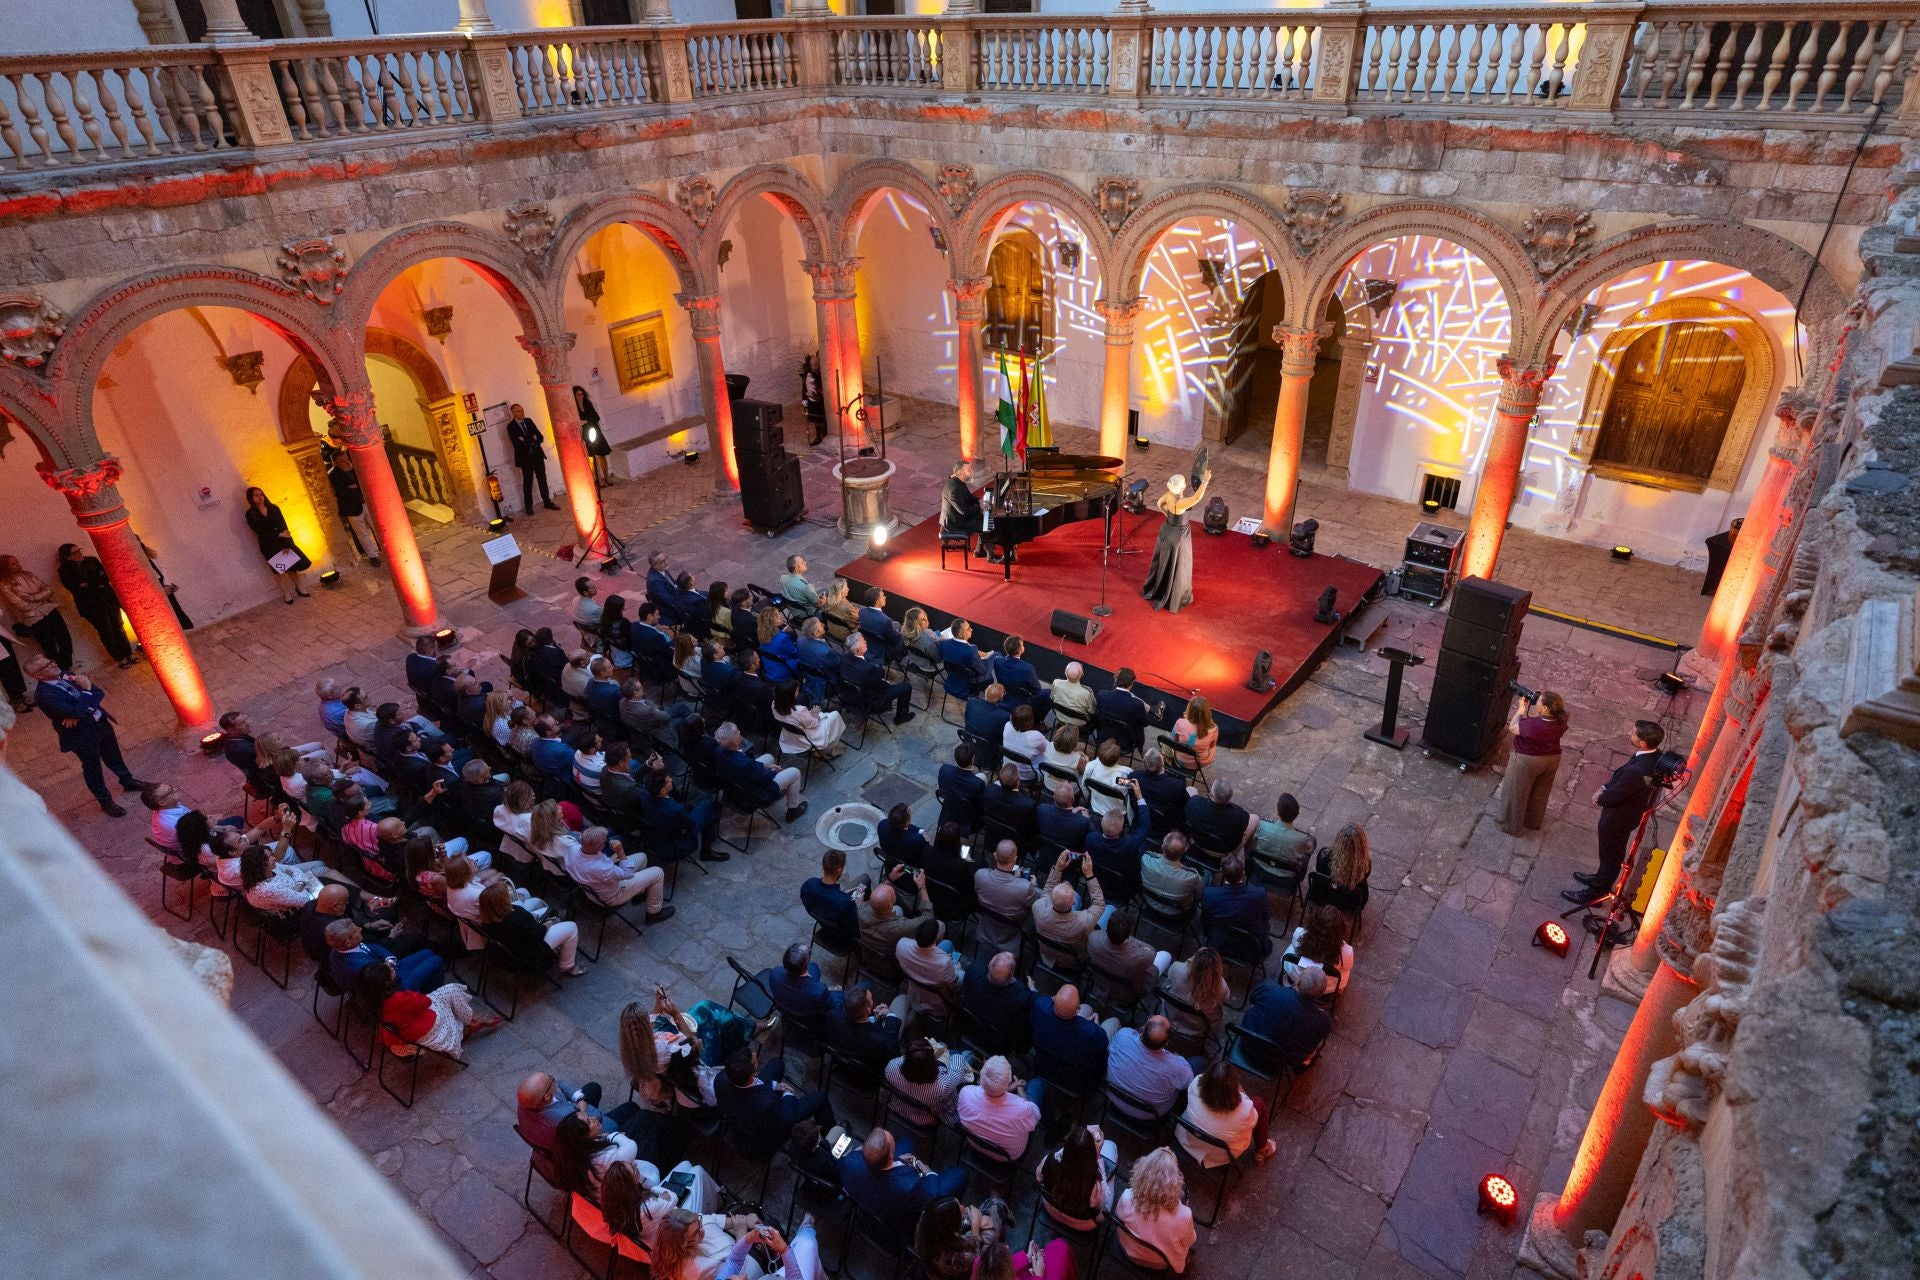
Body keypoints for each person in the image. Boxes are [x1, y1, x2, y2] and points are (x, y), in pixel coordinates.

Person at [26, 655, 148, 815]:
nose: (53, 664)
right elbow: (80, 703)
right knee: (92, 768)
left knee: (113, 755)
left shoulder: (66, 675)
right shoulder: (43, 695)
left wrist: (83, 706)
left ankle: (127, 780)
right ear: (38, 675)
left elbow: (97, 692)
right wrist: (85, 693)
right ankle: (105, 802)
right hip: (81, 735)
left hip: (100, 723)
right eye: (47, 666)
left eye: (51, 661)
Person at [1566, 719, 1671, 906]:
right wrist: (1606, 787)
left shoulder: (1637, 770)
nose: (1630, 735)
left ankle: (1596, 894)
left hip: (1618, 818)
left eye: (1633, 734)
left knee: (1611, 855)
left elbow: (1619, 792)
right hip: (1628, 812)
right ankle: (1599, 879)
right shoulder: (1653, 757)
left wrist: (1601, 797)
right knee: (1609, 854)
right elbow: (1623, 783)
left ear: (1643, 743)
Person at [717, 1041, 835, 1158]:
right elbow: (787, 1117)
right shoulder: (767, 1103)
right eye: (754, 1060)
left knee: (777, 1064)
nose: (754, 1053)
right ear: (753, 1071)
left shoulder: (720, 1079)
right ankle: (831, 1142)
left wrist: (774, 1085)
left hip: (743, 1113)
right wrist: (787, 1093)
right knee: (820, 1098)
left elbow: (755, 1087)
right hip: (763, 1136)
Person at [839, 1128, 966, 1235]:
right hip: (898, 1219)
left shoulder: (849, 1161)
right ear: (890, 1156)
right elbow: (930, 1194)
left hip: (868, 1197)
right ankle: (951, 1210)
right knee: (961, 1174)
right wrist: (928, 1171)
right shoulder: (909, 1186)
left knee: (908, 1140)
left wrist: (899, 1161)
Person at [565, 826, 674, 924]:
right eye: (604, 842)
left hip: (595, 886)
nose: (606, 842)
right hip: (613, 895)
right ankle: (654, 913)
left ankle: (639, 893)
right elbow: (628, 874)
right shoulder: (602, 868)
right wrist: (620, 851)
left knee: (642, 857)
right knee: (658, 872)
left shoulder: (572, 850)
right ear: (596, 848)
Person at [1178, 1059, 1276, 1167]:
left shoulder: (1195, 1084)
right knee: (1259, 1103)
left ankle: (1261, 1150)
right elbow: (1252, 1122)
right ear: (1234, 1088)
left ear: (1206, 1079)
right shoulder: (1246, 1110)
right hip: (1219, 1155)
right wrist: (1243, 1095)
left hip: (1189, 1137)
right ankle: (1261, 1149)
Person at [1140, 463, 1210, 613]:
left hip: (1166, 530)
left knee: (1163, 561)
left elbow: (1159, 504)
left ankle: (1158, 589)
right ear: (1182, 487)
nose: (1186, 483)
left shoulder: (1169, 495)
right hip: (1178, 536)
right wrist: (1205, 481)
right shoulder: (1181, 503)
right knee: (1180, 564)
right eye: (1184, 482)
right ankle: (1175, 597)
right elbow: (1197, 497)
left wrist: (1169, 517)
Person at [1498, 689, 1569, 835]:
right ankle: (1532, 822)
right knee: (1540, 792)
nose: (1536, 702)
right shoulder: (1561, 720)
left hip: (1527, 760)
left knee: (1516, 791)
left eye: (1538, 702)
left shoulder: (1534, 725)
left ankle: (1512, 826)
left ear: (1545, 708)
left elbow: (1513, 728)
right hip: (1552, 759)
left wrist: (1521, 710)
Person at [479, 879, 585, 976]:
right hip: (532, 954)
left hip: (513, 952)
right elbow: (539, 932)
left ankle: (560, 940)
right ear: (503, 904)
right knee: (571, 927)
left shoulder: (486, 921)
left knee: (539, 906)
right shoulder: (516, 916)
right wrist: (550, 920)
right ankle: (567, 967)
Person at [1115, 1147, 1196, 1271]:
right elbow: (1190, 1241)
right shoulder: (1184, 1216)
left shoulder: (1127, 1197)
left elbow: (1118, 1215)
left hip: (1128, 1251)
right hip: (1160, 1263)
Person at [55, 543, 134, 668]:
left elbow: (105, 577)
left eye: (79, 550)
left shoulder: (92, 560)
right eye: (75, 553)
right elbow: (75, 588)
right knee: (106, 631)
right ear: (67, 557)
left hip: (108, 599)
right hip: (92, 606)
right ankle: (120, 658)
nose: (79, 553)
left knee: (118, 626)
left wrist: (89, 584)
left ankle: (128, 653)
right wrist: (96, 583)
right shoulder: (65, 571)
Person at [552, 1108, 657, 1201]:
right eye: (589, 1122)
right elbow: (632, 1147)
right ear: (582, 1138)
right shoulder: (603, 1159)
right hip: (637, 1190)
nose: (594, 1118)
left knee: (641, 1119)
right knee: (647, 1125)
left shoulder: (575, 1158)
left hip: (612, 1191)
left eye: (589, 1116)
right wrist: (613, 1135)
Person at [1239, 969, 1333, 1071]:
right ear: (1321, 994)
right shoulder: (1323, 1021)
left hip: (1248, 1043)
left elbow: (1252, 999)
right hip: (1280, 1062)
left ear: (1298, 981)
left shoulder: (1269, 989)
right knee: (1313, 1049)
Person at [715, 719, 807, 821]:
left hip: (739, 787)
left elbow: (752, 767)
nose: (740, 732)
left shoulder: (719, 751)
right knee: (795, 772)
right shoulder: (744, 764)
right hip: (757, 794)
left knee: (768, 757)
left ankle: (780, 785)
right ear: (735, 742)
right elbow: (765, 778)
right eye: (737, 732)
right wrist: (772, 770)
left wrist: (767, 766)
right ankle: (793, 811)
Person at [1105, 1017, 1194, 1121]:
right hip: (1148, 1117)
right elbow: (1189, 1083)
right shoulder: (1177, 1067)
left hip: (1114, 1099)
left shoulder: (1123, 1036)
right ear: (1167, 1043)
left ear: (1142, 1029)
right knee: (1199, 1062)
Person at [956, 1055, 1040, 1163]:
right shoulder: (1024, 1110)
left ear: (981, 1075)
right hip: (1008, 1157)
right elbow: (1035, 1119)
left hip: (975, 1144)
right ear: (1009, 1081)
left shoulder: (965, 1093)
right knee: (1037, 1084)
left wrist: (1008, 1088)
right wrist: (1020, 1088)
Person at [1037, 1123, 1117, 1233]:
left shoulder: (1050, 1160)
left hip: (1051, 1207)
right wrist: (1098, 1157)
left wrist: (1074, 1146)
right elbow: (1102, 1203)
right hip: (1083, 1223)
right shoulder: (1094, 1184)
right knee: (1111, 1146)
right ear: (1091, 1153)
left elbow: (1039, 1178)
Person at [0, 554, 74, 670]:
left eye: (17, 562)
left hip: (50, 610)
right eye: (13, 564)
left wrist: (33, 598)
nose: (17, 565)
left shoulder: (28, 575)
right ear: (5, 568)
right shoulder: (5, 585)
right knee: (49, 646)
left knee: (65, 639)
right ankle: (60, 673)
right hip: (34, 618)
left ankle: (67, 667)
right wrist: (41, 597)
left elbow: (49, 590)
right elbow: (22, 606)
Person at [242, 486, 311, 604]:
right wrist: (279, 534)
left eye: (261, 494)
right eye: (256, 495)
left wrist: (287, 542)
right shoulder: (250, 514)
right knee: (279, 571)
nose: (260, 497)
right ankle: (286, 593)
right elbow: (259, 532)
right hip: (269, 545)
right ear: (251, 498)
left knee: (291, 568)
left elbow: (284, 526)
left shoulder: (274, 508)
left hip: (283, 542)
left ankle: (299, 587)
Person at [1034, 852, 1106, 962]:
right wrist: (1089, 875)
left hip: (1047, 955)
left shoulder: (1038, 907)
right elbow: (1099, 904)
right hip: (1072, 962)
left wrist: (1057, 869)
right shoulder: (1083, 922)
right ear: (1073, 903)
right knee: (1110, 909)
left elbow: (1047, 891)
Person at [1087, 910, 1169, 1004]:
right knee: (1166, 955)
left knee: (1109, 908)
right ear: (1128, 934)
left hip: (1100, 984)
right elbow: (1152, 952)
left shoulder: (1093, 938)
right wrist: (1131, 941)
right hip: (1128, 994)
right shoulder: (1142, 956)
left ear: (1107, 930)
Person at [961, 951, 1033, 1057]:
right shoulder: (1022, 997)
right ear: (1011, 976)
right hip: (998, 1043)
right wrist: (1033, 991)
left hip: (969, 1027)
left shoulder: (974, 969)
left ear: (989, 964)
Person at [885, 1037, 970, 1127]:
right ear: (933, 1060)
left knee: (941, 1042)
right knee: (967, 1055)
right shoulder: (942, 1086)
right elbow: (956, 1072)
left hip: (897, 1108)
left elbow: (906, 1059)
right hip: (924, 1121)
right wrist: (955, 1053)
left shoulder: (891, 1067)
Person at [973, 839, 1039, 955]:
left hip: (987, 925)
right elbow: (1035, 903)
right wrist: (1034, 886)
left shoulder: (980, 875)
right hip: (1012, 932)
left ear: (994, 855)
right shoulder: (1025, 887)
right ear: (1015, 859)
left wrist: (1016, 881)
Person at [1202, 853, 1272, 960]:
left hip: (1220, 943)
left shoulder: (1209, 894)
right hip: (1250, 949)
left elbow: (1206, 917)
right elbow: (1266, 917)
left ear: (1222, 873)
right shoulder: (1259, 894)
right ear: (1243, 873)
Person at [825, 983, 905, 1076]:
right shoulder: (879, 1040)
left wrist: (873, 1019)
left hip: (841, 1055)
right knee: (902, 1000)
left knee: (866, 983)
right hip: (866, 1075)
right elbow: (893, 1056)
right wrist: (890, 1015)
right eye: (871, 1000)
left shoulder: (832, 1015)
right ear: (868, 1010)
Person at [1163, 947, 1230, 1054]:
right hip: (1195, 1030)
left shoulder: (1177, 968)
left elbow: (1170, 978)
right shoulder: (1221, 987)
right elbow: (1225, 997)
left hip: (1169, 1017)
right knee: (1216, 1013)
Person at [839, 632, 915, 725]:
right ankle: (901, 717)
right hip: (869, 701)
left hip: (848, 696)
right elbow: (881, 688)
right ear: (858, 650)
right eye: (864, 642)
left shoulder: (843, 658)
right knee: (906, 687)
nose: (866, 642)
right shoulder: (868, 669)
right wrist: (886, 682)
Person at [896, 917, 962, 1016]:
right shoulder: (944, 963)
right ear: (935, 940)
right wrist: (957, 968)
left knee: (947, 944)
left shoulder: (902, 944)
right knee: (961, 967)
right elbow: (955, 985)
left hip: (915, 981)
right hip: (937, 995)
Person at [325, 449, 380, 565]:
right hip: (352, 508)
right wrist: (354, 488)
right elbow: (342, 492)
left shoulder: (354, 467)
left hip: (365, 503)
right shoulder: (333, 475)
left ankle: (384, 548)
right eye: (342, 460)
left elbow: (363, 482)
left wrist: (354, 487)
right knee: (362, 534)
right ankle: (372, 556)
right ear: (335, 462)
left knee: (377, 527)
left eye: (345, 458)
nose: (345, 461)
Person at [801, 847, 866, 943]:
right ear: (839, 870)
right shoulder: (845, 902)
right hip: (846, 932)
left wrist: (842, 894)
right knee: (863, 882)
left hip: (827, 922)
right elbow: (854, 924)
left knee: (859, 886)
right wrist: (857, 904)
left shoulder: (808, 885)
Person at [763, 942, 839, 1022]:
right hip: (806, 1018)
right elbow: (831, 1006)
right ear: (806, 965)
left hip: (785, 1009)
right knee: (838, 996)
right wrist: (837, 992)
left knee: (814, 967)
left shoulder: (775, 973)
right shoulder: (820, 991)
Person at [505, 402, 558, 513]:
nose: (522, 413)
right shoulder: (511, 427)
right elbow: (517, 444)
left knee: (542, 479)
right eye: (519, 411)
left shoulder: (529, 421)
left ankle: (547, 502)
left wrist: (527, 440)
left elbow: (540, 437)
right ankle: (528, 507)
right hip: (525, 458)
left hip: (537, 455)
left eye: (522, 410)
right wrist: (532, 440)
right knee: (528, 481)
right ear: (513, 413)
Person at [1311, 821, 1373, 916]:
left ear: (1339, 840)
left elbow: (1319, 869)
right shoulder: (1365, 865)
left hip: (1323, 896)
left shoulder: (1324, 855)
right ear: (1362, 844)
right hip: (1349, 904)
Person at [1184, 777, 1255, 854]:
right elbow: (1242, 829)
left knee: (1191, 789)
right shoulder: (1239, 815)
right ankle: (1244, 852)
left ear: (1210, 794)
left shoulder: (1193, 803)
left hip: (1199, 842)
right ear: (1229, 797)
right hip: (1225, 851)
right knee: (1255, 818)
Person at [1251, 792, 1315, 876]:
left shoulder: (1262, 825)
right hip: (1287, 876)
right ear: (1297, 814)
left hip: (1261, 867)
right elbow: (1308, 850)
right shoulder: (1302, 839)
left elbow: (1255, 839)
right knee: (1313, 841)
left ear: (1278, 812)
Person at [1139, 831, 1204, 912]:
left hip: (1149, 903)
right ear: (1185, 850)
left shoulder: (1146, 859)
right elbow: (1199, 891)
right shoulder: (1191, 876)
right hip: (1175, 913)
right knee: (1207, 876)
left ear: (1162, 847)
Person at [1093, 668, 1151, 754]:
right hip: (1125, 743)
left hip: (1104, 737)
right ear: (1132, 683)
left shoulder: (1102, 695)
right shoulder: (1136, 704)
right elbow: (1145, 723)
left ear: (1116, 680)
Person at [990, 636, 1048, 717]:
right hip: (1022, 699)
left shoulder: (997, 661)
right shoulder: (1027, 668)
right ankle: (1038, 720)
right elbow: (1037, 690)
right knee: (1048, 693)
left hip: (1006, 692)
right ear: (1020, 650)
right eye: (1023, 645)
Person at [936, 742, 986, 833]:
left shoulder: (944, 769)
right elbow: (980, 807)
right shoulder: (977, 783)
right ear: (973, 759)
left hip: (949, 810)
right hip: (967, 820)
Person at [1035, 781, 1093, 853]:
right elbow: (1092, 839)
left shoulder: (1042, 809)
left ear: (1053, 797)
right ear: (1073, 799)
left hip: (1044, 853)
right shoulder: (1082, 821)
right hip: (1068, 860)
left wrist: (1072, 813)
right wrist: (1088, 819)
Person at [964, 683, 1011, 770]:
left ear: (985, 692)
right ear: (1001, 699)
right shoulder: (1003, 716)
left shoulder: (971, 702)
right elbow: (1003, 735)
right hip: (989, 751)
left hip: (970, 744)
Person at [1170, 694, 1219, 772]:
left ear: (1190, 709)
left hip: (1180, 759)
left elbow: (1172, 740)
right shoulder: (1214, 729)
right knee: (1212, 747)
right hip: (1201, 762)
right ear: (1207, 712)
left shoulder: (1180, 722)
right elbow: (1212, 746)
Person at [857, 587, 906, 663]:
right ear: (877, 601)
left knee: (896, 625)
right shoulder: (885, 620)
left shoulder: (861, 611)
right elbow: (895, 638)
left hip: (867, 642)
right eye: (883, 596)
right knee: (902, 638)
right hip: (881, 651)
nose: (885, 597)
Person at [575, 384, 611, 485]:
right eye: (578, 395)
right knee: (592, 456)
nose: (581, 396)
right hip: (586, 433)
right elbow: (575, 422)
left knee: (602, 454)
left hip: (595, 430)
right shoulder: (574, 408)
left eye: (582, 394)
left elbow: (596, 417)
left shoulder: (588, 404)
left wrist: (586, 421)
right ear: (575, 396)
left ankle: (607, 478)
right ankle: (598, 480)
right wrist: (583, 422)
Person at [1001, 704, 1048, 781]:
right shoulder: (1035, 737)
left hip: (1008, 767)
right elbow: (1049, 748)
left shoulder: (1007, 726)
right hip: (1027, 775)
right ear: (1031, 721)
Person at [941, 458, 983, 536]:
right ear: (960, 472)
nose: (971, 471)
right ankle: (985, 545)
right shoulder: (954, 489)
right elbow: (964, 511)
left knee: (984, 517)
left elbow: (969, 497)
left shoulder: (959, 481)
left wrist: (979, 501)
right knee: (985, 523)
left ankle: (983, 545)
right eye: (968, 469)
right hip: (954, 522)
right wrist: (980, 507)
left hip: (957, 515)